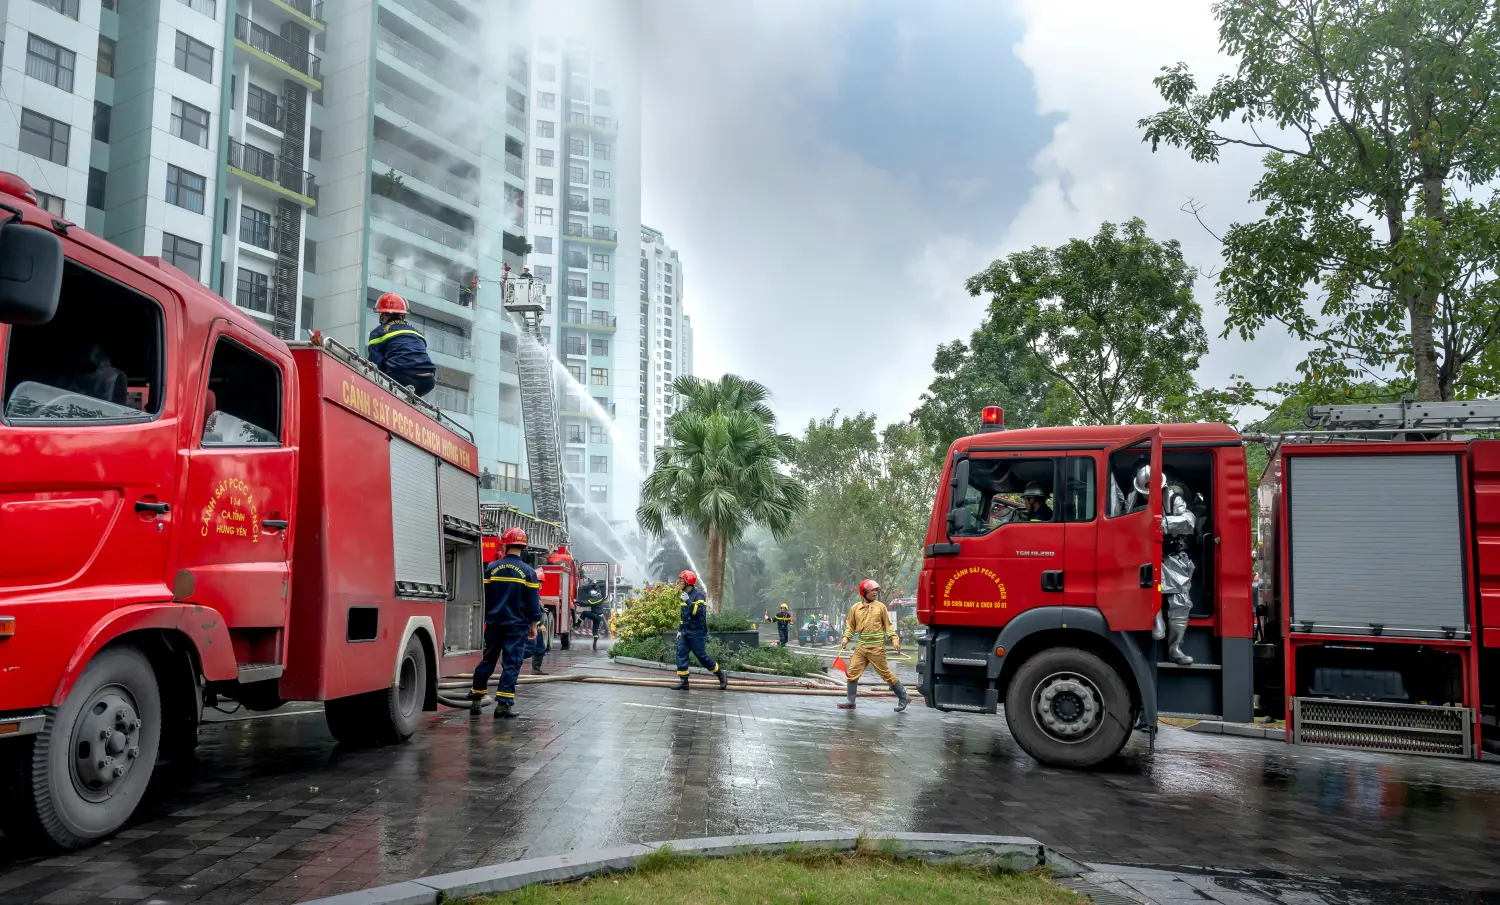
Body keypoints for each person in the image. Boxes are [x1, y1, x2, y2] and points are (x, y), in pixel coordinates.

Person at [1128, 463, 1197, 665]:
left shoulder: (1174, 499)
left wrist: (1162, 524)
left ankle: (1175, 647)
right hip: (1142, 557)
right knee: (1145, 591)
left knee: (1181, 601)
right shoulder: (1132, 500)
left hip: (1172, 555)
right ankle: (1155, 620)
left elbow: (1189, 521)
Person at [469, 527, 541, 718]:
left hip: (493, 624)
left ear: (505, 545)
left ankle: (476, 699)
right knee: (511, 663)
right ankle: (503, 705)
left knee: (488, 659)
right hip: (516, 626)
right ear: (523, 547)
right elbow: (532, 602)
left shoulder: (491, 568)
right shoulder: (528, 572)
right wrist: (534, 624)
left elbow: (483, 596)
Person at [837, 579, 910, 712]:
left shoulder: (881, 607)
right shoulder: (855, 608)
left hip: (876, 648)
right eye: (872, 590)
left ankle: (903, 696)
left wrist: (894, 640)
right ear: (863, 592)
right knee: (852, 672)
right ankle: (850, 701)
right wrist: (846, 638)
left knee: (886, 674)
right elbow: (850, 626)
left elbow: (888, 626)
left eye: (876, 590)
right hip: (861, 647)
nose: (875, 592)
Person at [367, 292, 436, 397]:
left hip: (402, 378)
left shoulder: (378, 332)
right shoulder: (417, 332)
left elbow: (375, 366)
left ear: (382, 316)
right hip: (428, 381)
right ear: (402, 316)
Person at [674, 570, 728, 691]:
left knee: (701, 657)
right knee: (681, 653)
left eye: (681, 581)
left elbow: (698, 613)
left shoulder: (699, 595)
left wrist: (688, 601)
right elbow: (683, 616)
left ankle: (721, 674)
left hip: (697, 631)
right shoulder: (684, 596)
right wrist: (680, 630)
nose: (679, 583)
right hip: (686, 631)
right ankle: (684, 682)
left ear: (688, 582)